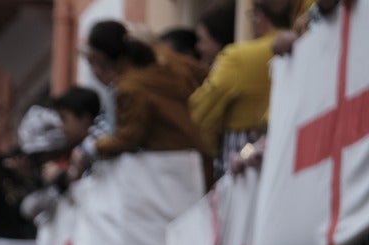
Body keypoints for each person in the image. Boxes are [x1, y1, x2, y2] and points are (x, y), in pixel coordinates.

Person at [81, 21, 207, 167]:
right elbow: (205, 76)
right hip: (199, 149)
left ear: (98, 57)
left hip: (172, 163)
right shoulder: (166, 57)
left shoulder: (130, 87)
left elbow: (128, 138)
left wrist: (92, 147)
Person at [190, 0, 289, 175]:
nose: (199, 48)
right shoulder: (304, 43)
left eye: (201, 40)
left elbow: (200, 110)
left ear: (260, 17)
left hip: (242, 154)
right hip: (287, 144)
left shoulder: (237, 57)